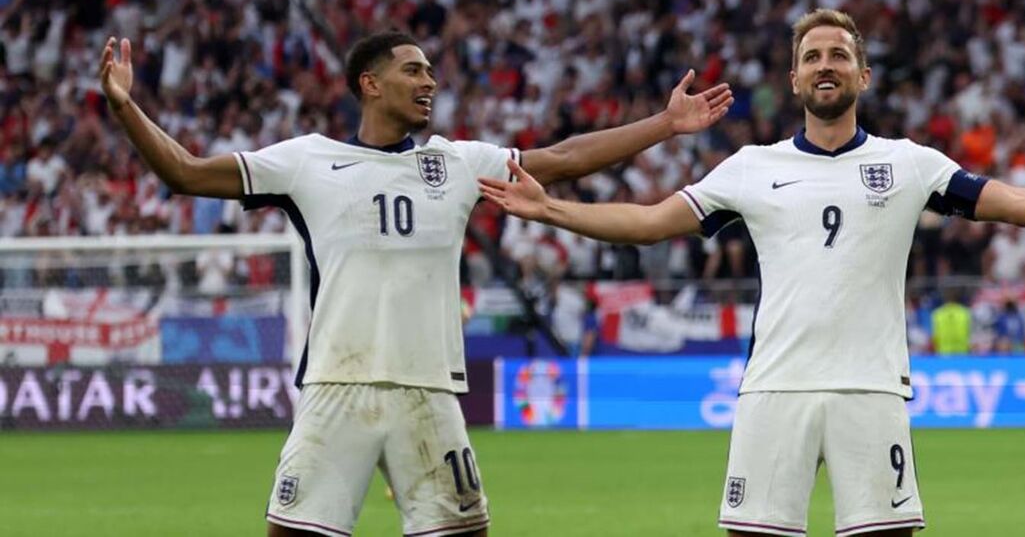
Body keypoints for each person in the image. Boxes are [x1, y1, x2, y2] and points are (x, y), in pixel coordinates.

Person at [479, 8, 1025, 537]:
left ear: (863, 74)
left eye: (839, 54)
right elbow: (646, 221)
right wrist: (550, 209)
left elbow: (1015, 203)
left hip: (870, 390)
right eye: (813, 56)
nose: (825, 65)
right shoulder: (751, 166)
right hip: (775, 390)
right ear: (794, 78)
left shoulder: (910, 162)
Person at [99, 30, 732, 537]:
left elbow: (563, 158)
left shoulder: (457, 162)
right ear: (369, 84)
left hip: (430, 391)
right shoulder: (305, 160)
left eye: (430, 71)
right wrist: (126, 107)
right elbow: (184, 172)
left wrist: (663, 124)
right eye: (413, 70)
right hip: (337, 387)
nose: (429, 81)